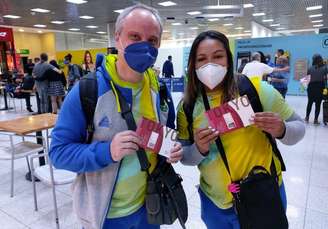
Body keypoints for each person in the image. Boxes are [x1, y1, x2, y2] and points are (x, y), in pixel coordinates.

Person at [49, 4, 182, 229]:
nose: (144, 46)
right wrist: (107, 151)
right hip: (104, 214)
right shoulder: (87, 90)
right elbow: (58, 153)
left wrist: (171, 149)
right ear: (117, 37)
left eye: (152, 40)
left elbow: (168, 134)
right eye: (135, 36)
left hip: (150, 206)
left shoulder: (158, 89)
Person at [177, 30, 305, 229]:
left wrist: (282, 129)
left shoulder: (258, 91)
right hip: (216, 205)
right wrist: (198, 149)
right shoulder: (188, 106)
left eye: (218, 56)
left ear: (228, 58)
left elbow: (299, 128)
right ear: (193, 65)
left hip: (263, 193)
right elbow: (184, 157)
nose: (210, 65)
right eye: (201, 59)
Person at [305, 54, 328, 124]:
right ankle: (315, 119)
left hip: (311, 87)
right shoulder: (325, 68)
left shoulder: (310, 68)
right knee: (318, 104)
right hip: (320, 86)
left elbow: (307, 79)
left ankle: (307, 117)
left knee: (309, 103)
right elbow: (326, 76)